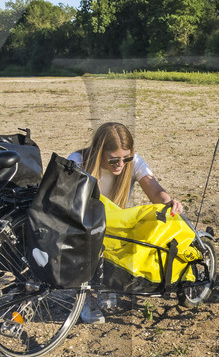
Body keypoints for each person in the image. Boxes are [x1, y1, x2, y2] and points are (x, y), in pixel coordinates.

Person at [67, 122, 183, 323]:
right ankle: (84, 298)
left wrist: (169, 202)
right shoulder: (77, 161)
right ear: (99, 152)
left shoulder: (134, 162)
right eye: (113, 160)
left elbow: (154, 189)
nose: (121, 165)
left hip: (113, 227)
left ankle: (105, 287)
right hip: (81, 225)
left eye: (125, 158)